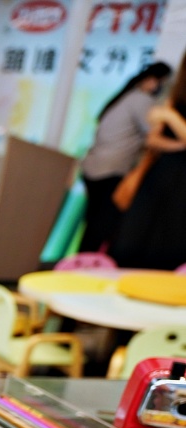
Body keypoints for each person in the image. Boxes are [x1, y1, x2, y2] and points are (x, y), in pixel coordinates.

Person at [78, 61, 171, 252]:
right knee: (104, 226)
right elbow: (154, 136)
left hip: (93, 166)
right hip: (111, 169)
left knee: (94, 224)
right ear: (154, 81)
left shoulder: (124, 97)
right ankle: (87, 268)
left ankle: (80, 266)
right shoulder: (142, 100)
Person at [111, 52, 186, 270]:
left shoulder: (171, 110)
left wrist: (171, 118)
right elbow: (152, 139)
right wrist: (180, 145)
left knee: (173, 241)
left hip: (182, 184)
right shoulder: (175, 98)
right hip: (161, 174)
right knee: (135, 239)